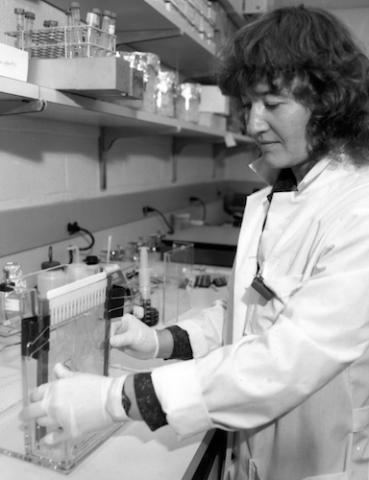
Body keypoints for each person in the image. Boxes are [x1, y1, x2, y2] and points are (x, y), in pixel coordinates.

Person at [22, 5, 369, 479]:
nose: (252, 124)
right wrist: (159, 341)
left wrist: (115, 399)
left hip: (321, 462)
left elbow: (284, 361)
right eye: (248, 104)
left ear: (330, 102)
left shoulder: (358, 212)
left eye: (272, 103)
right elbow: (247, 312)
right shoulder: (285, 192)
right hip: (253, 453)